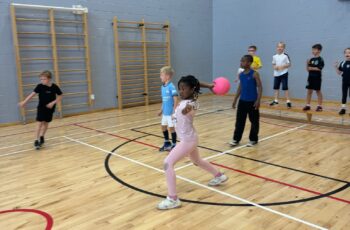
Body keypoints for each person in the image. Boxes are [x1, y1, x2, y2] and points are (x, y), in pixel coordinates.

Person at [157, 75, 228, 210]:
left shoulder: (192, 104)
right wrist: (208, 85)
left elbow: (186, 109)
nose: (181, 91)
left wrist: (181, 108)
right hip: (190, 138)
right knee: (197, 161)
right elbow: (195, 83)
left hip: (187, 141)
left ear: (192, 90)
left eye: (184, 89)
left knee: (167, 163)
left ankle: (173, 199)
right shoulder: (185, 101)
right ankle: (219, 176)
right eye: (180, 88)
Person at [19, 70, 63, 149]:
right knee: (39, 123)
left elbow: (60, 96)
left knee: (46, 123)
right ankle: (36, 140)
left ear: (49, 79)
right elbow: (31, 95)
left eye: (44, 79)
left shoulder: (54, 87)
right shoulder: (39, 86)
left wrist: (53, 103)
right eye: (41, 79)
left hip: (50, 108)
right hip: (41, 107)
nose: (42, 81)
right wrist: (24, 102)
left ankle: (42, 136)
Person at [230, 55, 262, 147]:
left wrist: (258, 100)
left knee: (254, 121)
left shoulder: (255, 74)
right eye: (241, 61)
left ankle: (253, 139)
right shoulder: (241, 75)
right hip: (242, 102)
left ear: (249, 63)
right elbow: (240, 87)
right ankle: (236, 139)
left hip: (252, 102)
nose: (242, 63)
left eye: (244, 61)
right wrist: (235, 100)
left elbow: (259, 87)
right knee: (239, 121)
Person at [158, 66, 178, 151]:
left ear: (168, 76)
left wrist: (174, 111)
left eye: (162, 75)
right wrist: (161, 110)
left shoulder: (171, 86)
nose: (160, 77)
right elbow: (164, 100)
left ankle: (174, 144)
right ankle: (166, 143)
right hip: (165, 113)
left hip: (170, 113)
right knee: (163, 127)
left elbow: (176, 99)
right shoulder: (163, 87)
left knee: (171, 128)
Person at [303, 44, 325, 112]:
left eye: (314, 49)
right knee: (309, 91)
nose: (313, 51)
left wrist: (312, 68)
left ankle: (319, 106)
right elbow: (308, 69)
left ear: (319, 51)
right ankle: (308, 105)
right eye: (312, 49)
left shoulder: (320, 59)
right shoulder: (311, 59)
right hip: (310, 78)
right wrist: (307, 63)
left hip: (317, 78)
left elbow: (319, 69)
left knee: (318, 91)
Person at [270, 42, 292, 108]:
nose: (280, 48)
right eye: (278, 47)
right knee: (276, 87)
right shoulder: (274, 56)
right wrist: (274, 67)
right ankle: (276, 100)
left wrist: (283, 66)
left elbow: (289, 64)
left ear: (284, 48)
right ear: (277, 48)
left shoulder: (285, 56)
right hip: (276, 74)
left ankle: (288, 101)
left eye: (281, 47)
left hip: (284, 74)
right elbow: (273, 64)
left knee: (285, 87)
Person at [334, 48, 350, 115]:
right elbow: (339, 72)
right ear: (344, 54)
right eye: (346, 53)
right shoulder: (343, 63)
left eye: (349, 52)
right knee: (344, 95)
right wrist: (336, 67)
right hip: (345, 82)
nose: (347, 54)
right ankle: (343, 109)